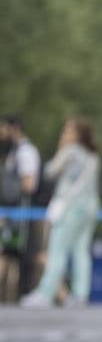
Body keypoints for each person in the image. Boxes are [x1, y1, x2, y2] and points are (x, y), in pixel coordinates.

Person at [20, 118, 100, 308]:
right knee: (81, 252)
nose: (64, 134)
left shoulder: (70, 152)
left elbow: (50, 171)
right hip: (91, 207)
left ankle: (45, 294)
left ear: (77, 135)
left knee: (57, 251)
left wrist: (61, 149)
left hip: (70, 207)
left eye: (68, 131)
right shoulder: (93, 157)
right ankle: (80, 295)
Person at [1, 115, 43, 302]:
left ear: (14, 128)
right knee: (7, 254)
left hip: (22, 215)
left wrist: (10, 188)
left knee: (31, 256)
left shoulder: (25, 152)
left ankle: (57, 293)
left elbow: (29, 184)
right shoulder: (13, 152)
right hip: (13, 214)